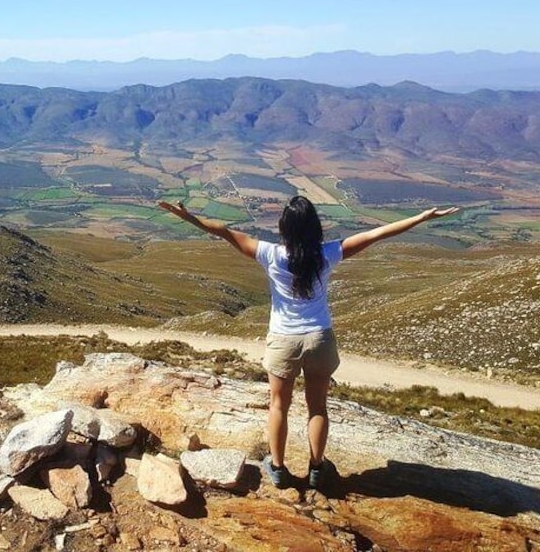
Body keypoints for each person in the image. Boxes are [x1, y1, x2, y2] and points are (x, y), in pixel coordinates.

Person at [158, 196, 458, 490]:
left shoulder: (269, 254)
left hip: (283, 339)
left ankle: (277, 469)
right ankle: (316, 468)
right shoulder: (327, 253)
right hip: (319, 338)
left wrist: (189, 217)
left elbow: (222, 231)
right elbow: (376, 234)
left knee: (278, 406)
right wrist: (421, 218)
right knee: (318, 408)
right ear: (314, 226)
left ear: (283, 227)